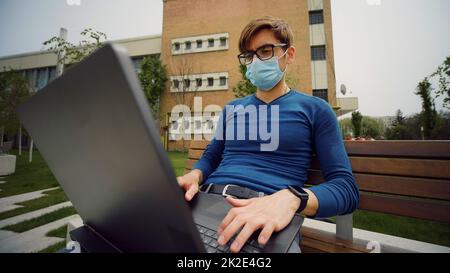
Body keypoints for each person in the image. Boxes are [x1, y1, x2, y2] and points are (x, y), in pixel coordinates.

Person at [177, 16, 359, 253]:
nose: (255, 61)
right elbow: (212, 156)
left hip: (268, 216)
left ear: (289, 55)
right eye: (249, 55)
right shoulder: (233, 108)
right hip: (207, 202)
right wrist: (196, 175)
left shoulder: (315, 110)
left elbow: (346, 188)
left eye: (265, 51)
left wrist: (293, 199)